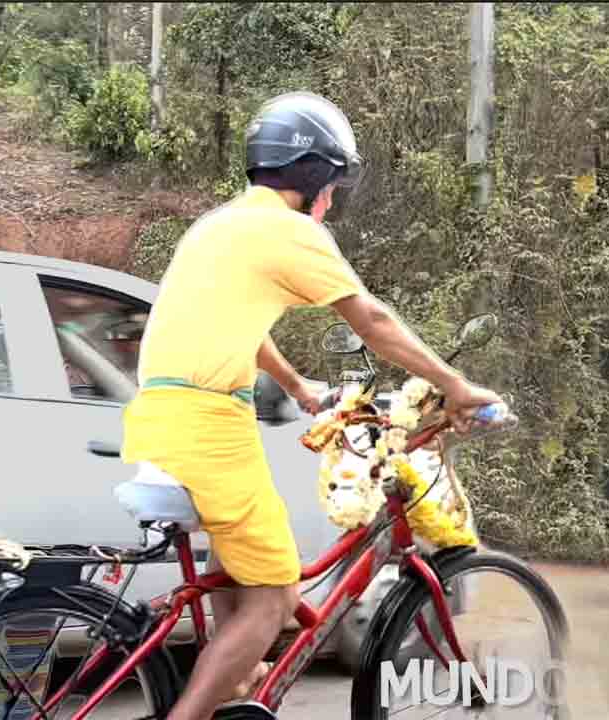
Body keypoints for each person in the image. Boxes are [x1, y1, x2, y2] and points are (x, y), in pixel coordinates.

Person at [119, 91, 502, 720]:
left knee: (238, 567)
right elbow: (372, 319)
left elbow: (242, 326)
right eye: (333, 182)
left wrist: (299, 388)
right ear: (314, 174)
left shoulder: (221, 225)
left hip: (163, 417)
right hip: (209, 426)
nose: (332, 199)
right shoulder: (288, 231)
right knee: (276, 595)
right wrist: (453, 385)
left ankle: (230, 684)